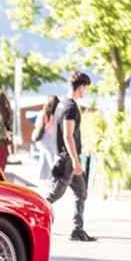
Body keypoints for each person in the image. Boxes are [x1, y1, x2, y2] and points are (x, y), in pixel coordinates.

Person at [45, 71, 96, 242]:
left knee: (81, 191)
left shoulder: (61, 105)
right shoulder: (70, 108)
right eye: (86, 89)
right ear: (81, 88)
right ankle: (32, 218)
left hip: (65, 158)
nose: (85, 92)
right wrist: (76, 161)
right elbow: (68, 136)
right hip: (68, 161)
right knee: (52, 196)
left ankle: (77, 230)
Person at [33, 95, 60, 185]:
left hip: (44, 137)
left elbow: (39, 125)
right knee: (50, 158)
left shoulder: (44, 113)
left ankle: (44, 178)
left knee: (45, 158)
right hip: (53, 136)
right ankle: (52, 178)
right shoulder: (58, 113)